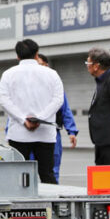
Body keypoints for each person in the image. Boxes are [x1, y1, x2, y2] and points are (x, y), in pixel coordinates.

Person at [0, 38, 65, 184]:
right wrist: (40, 118)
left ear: (17, 56)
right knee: (47, 174)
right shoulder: (52, 74)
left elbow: (4, 100)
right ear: (37, 54)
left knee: (18, 175)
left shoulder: (8, 74)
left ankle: (19, 206)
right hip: (45, 133)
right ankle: (52, 206)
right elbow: (58, 99)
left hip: (18, 134)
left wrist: (23, 120)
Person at [35, 53, 79, 182]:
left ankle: (53, 201)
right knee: (28, 172)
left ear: (46, 66)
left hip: (52, 133)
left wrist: (72, 131)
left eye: (41, 65)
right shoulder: (27, 86)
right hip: (29, 134)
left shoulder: (55, 86)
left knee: (52, 170)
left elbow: (65, 109)